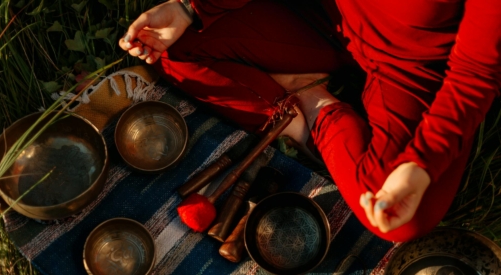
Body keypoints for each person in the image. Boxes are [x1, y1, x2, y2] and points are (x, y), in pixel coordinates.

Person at [118, 0, 501, 242]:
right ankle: (299, 103)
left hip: (412, 68)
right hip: (319, 14)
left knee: (403, 220)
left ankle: (312, 103)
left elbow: (474, 75)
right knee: (174, 48)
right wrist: (192, 7)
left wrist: (420, 164)